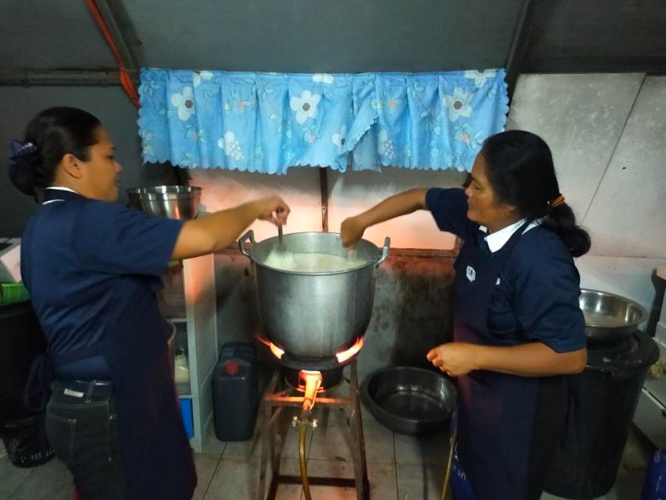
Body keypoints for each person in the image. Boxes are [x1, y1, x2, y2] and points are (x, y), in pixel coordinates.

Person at [7, 107, 290, 500]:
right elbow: (204, 236)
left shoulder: (47, 221)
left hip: (101, 398)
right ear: (73, 164)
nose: (119, 167)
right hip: (107, 408)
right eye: (108, 156)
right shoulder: (88, 220)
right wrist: (256, 205)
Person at [340, 130, 590, 500]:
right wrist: (361, 220)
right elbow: (418, 197)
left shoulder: (540, 261)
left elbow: (570, 356)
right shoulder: (480, 218)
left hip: (520, 417)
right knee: (466, 482)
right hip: (480, 398)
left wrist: (474, 356)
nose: (466, 192)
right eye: (469, 181)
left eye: (477, 186)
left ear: (511, 203)